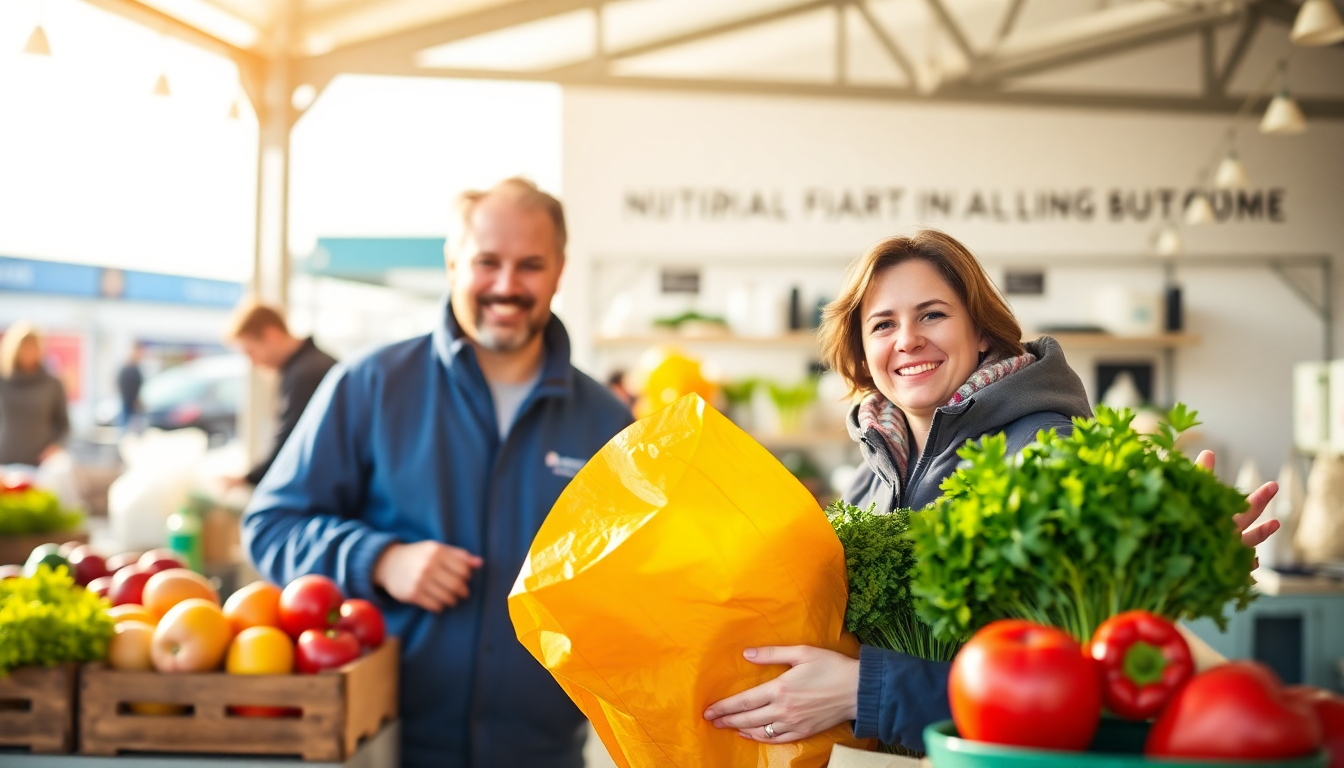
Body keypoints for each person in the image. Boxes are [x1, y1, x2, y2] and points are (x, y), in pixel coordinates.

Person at [701, 229, 1283, 752]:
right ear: (861, 350)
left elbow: (1071, 689)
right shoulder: (871, 473)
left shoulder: (1047, 454)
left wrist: (864, 691)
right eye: (883, 324)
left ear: (980, 332)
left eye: (932, 315)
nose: (907, 340)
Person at [241, 178, 633, 768]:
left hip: (545, 753)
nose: (507, 286)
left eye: (530, 265)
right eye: (487, 262)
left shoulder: (606, 421)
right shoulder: (370, 386)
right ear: (452, 264)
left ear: (558, 271)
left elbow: (636, 589)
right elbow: (271, 525)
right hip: (386, 746)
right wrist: (380, 560)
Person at [223, 301, 337, 488]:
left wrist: (250, 478)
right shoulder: (312, 363)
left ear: (271, 335)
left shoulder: (306, 373)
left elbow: (290, 440)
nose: (253, 362)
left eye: (251, 351)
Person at [0, 322, 71, 467]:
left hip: (40, 464)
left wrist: (53, 447)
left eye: (33, 347)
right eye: (24, 347)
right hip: (5, 460)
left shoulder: (52, 384)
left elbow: (64, 425)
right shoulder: (3, 381)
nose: (29, 352)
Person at [116, 342, 145, 429]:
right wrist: (134, 399)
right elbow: (122, 383)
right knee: (125, 425)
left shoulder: (136, 368)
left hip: (132, 402)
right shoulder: (128, 368)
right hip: (127, 401)